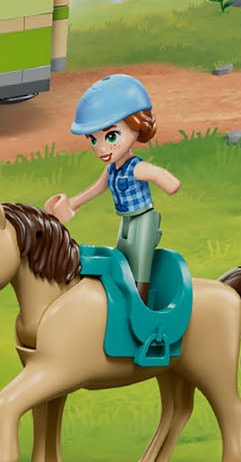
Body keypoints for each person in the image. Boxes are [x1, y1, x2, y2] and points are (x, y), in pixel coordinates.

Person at [46, 74, 180, 302]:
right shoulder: (111, 170)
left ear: (138, 126)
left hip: (144, 218)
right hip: (126, 219)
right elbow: (97, 188)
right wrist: (72, 204)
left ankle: (139, 305)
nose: (100, 148)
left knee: (138, 263)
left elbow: (165, 179)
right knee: (121, 258)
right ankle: (122, 298)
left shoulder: (137, 168)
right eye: (93, 139)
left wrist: (167, 183)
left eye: (110, 136)